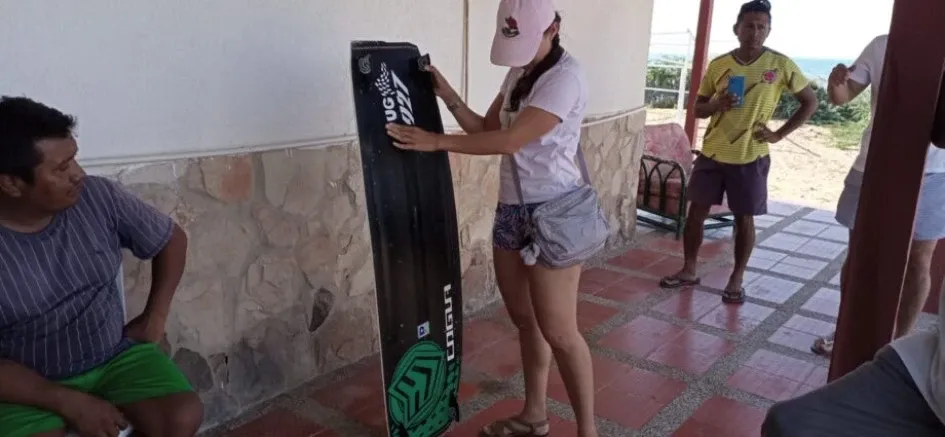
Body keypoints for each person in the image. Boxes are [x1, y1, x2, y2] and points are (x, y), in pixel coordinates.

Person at [385, 1, 598, 435]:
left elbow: (511, 141)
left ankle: (587, 431)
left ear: (553, 28)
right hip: (512, 211)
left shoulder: (566, 77)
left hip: (555, 212)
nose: (518, 53)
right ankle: (535, 414)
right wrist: (446, 96)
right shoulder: (520, 71)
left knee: (560, 332)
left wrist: (436, 142)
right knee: (525, 319)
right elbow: (486, 127)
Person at [0, 96, 202, 437]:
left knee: (181, 416)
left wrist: (156, 316)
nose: (79, 175)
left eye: (74, 160)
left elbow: (171, 239)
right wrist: (69, 401)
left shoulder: (97, 198)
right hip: (25, 382)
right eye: (61, 169)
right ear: (11, 183)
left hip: (112, 357)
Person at [658, 0, 817, 304]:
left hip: (751, 154)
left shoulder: (780, 65)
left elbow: (809, 102)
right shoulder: (719, 65)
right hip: (712, 154)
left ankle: (736, 278)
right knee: (695, 215)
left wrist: (779, 134)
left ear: (768, 30)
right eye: (749, 25)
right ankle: (689, 269)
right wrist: (717, 104)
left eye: (761, 26)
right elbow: (698, 108)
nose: (755, 32)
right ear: (736, 28)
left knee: (745, 219)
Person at [810, 34, 945, 356]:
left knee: (918, 261)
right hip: (873, 165)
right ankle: (848, 329)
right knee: (859, 256)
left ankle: (898, 344)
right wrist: (836, 84)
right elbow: (843, 96)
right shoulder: (883, 45)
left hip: (935, 172)